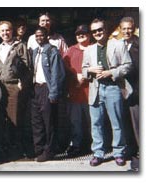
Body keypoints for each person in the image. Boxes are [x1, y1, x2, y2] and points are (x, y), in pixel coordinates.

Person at [82, 18, 132, 167]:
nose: (97, 33)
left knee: (116, 123)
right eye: (94, 31)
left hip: (113, 88)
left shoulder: (118, 44)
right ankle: (98, 153)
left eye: (100, 29)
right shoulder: (89, 49)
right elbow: (83, 70)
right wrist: (90, 70)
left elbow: (128, 66)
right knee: (96, 123)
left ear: (106, 29)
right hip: (95, 90)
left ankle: (118, 153)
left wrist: (111, 72)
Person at [0, 21, 30, 156]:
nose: (5, 33)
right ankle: (4, 146)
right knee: (1, 118)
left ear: (12, 31)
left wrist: (22, 83)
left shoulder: (19, 46)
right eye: (2, 31)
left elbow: (27, 67)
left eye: (7, 30)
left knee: (14, 118)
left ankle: (17, 148)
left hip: (14, 86)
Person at [31, 26, 65, 162]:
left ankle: (49, 151)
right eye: (37, 36)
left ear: (47, 36)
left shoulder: (52, 51)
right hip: (35, 88)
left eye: (41, 35)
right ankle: (38, 149)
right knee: (36, 121)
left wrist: (54, 93)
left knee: (49, 122)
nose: (39, 38)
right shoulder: (35, 51)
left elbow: (57, 74)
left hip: (47, 88)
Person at [63, 24, 91, 157]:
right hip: (74, 92)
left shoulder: (94, 48)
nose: (80, 35)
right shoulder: (70, 50)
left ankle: (95, 146)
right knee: (75, 122)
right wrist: (75, 76)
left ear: (89, 34)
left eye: (84, 33)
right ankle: (76, 146)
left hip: (91, 93)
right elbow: (64, 67)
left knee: (93, 122)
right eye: (78, 33)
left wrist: (84, 77)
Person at [119, 16, 139, 171]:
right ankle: (131, 151)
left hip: (137, 91)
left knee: (138, 125)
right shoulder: (117, 45)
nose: (127, 31)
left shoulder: (140, 45)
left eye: (129, 28)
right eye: (124, 28)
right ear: (120, 29)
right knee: (125, 124)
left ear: (134, 28)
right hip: (121, 91)